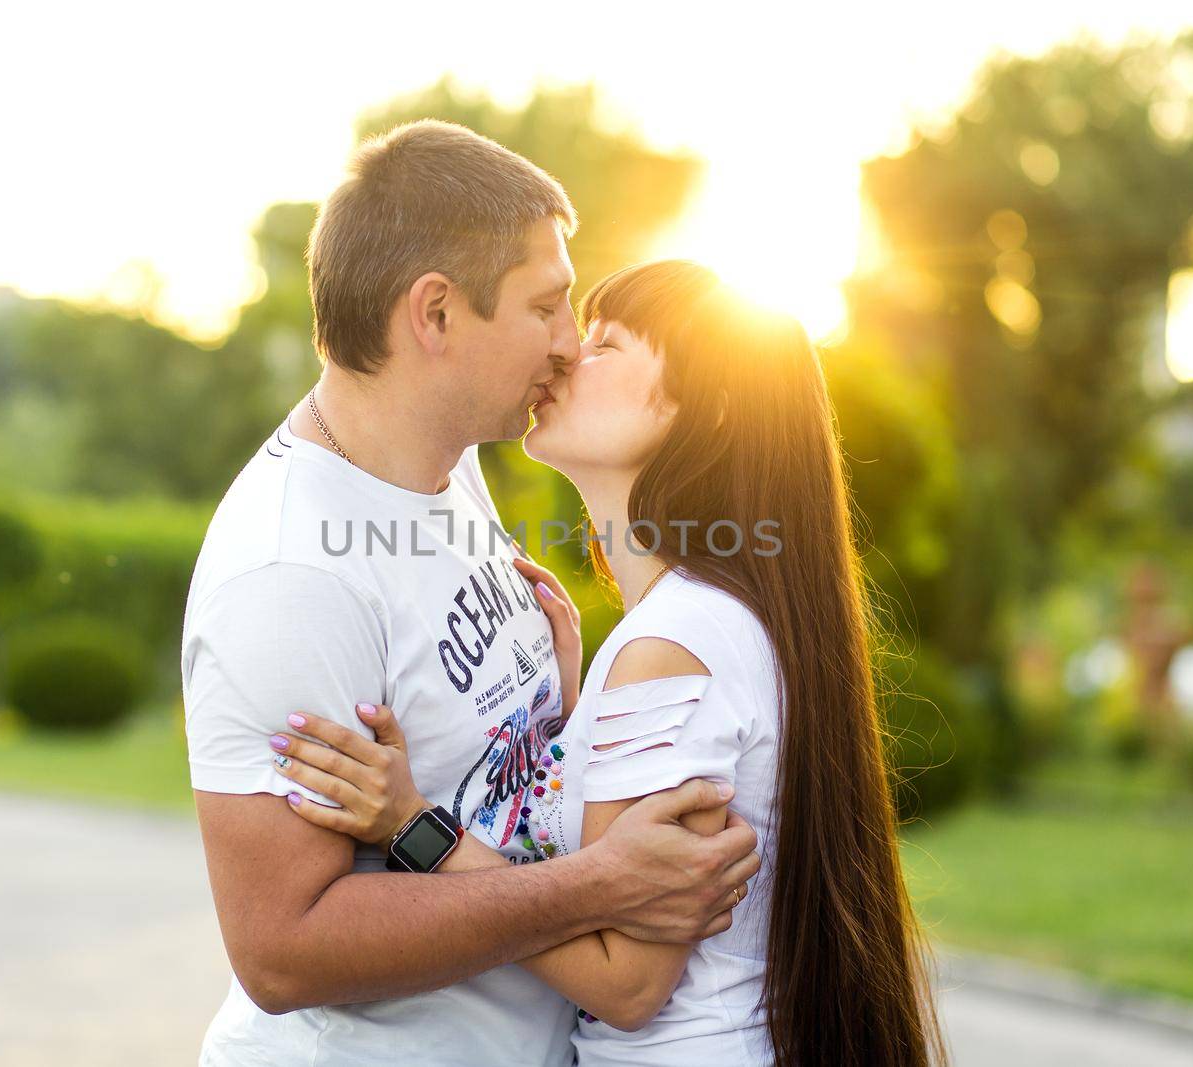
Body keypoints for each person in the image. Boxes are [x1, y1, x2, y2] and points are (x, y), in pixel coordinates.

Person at [181, 122, 760, 1067]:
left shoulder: (449, 468)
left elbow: (486, 770)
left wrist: (571, 706)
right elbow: (281, 949)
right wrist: (601, 887)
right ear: (436, 315)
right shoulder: (289, 576)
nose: (571, 343)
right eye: (548, 306)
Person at [274, 260, 946, 1065]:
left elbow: (625, 981)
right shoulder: (696, 622)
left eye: (607, 345)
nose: (564, 355)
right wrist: (570, 719)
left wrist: (415, 828)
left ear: (710, 409)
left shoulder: (672, 644)